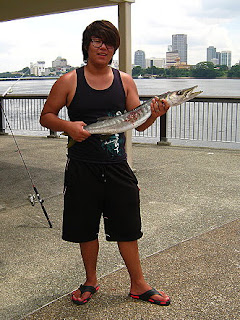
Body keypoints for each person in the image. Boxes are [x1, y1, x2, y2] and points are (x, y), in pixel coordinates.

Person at [40, 20, 170, 306]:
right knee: (85, 228)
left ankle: (138, 284)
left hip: (117, 166)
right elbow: (46, 115)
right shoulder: (69, 80)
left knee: (128, 227)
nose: (104, 47)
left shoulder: (125, 81)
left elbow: (140, 125)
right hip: (81, 166)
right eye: (98, 41)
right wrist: (68, 126)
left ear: (115, 50)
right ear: (87, 44)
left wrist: (155, 114)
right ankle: (90, 281)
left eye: (109, 43)